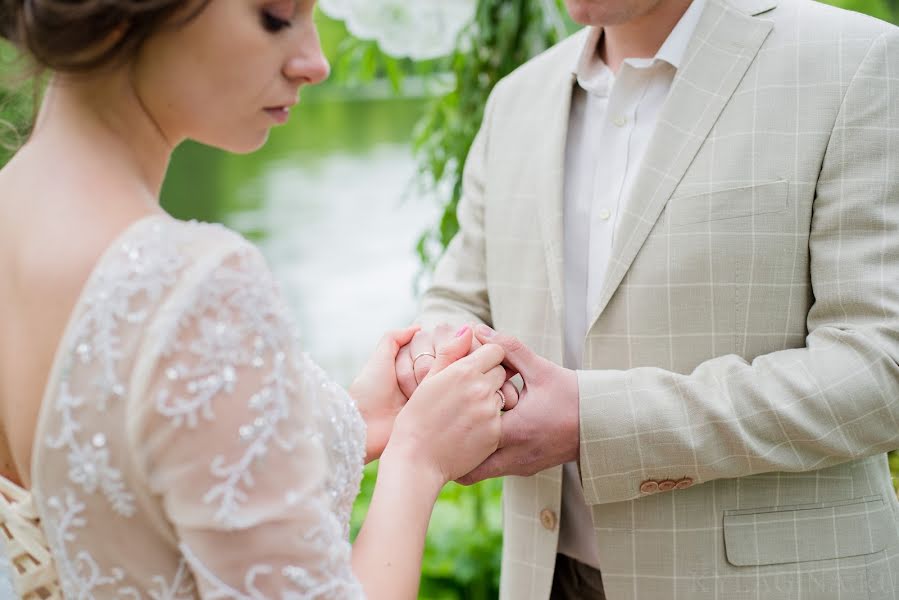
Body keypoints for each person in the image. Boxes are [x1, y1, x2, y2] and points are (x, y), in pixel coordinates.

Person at [0, 1, 518, 598]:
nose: (316, 62)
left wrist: (354, 421)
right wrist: (419, 458)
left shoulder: (17, 214)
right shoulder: (193, 287)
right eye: (275, 16)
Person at [398, 0, 899, 598]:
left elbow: (879, 370)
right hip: (542, 576)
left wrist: (593, 422)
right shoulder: (515, 98)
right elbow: (458, 297)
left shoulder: (857, 60)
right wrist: (435, 359)